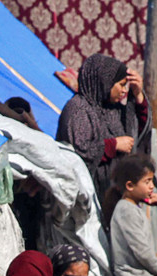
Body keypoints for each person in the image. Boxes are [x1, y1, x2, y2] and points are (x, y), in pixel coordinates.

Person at [56, 53, 148, 194]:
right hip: (85, 193)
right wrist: (113, 145)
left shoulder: (111, 110)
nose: (124, 91)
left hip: (110, 192)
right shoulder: (78, 109)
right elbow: (78, 151)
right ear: (105, 81)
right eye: (121, 85)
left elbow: (137, 130)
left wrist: (137, 94)